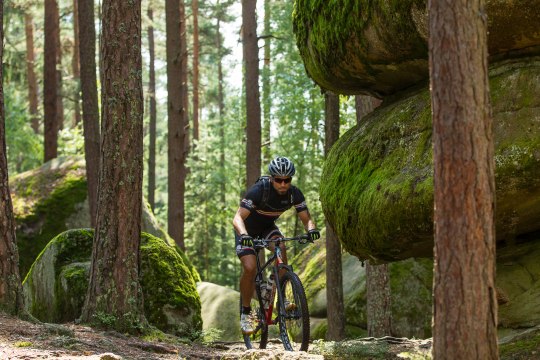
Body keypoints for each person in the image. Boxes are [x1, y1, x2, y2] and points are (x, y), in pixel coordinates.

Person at [232, 156, 320, 335]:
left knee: (281, 246)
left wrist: (311, 230)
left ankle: (281, 297)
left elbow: (307, 219)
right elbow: (237, 218)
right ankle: (245, 313)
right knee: (249, 268)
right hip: (246, 231)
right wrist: (244, 235)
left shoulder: (294, 194)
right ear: (272, 178)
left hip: (267, 229)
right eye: (278, 180)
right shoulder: (259, 191)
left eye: (286, 180)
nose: (282, 184)